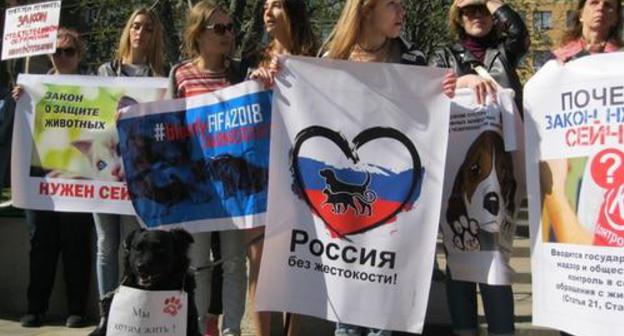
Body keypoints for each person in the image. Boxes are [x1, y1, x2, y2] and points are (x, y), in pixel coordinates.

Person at [321, 0, 455, 335]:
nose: (402, 11)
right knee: (348, 309)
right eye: (392, 4)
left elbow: (426, 123)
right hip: (347, 211)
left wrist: (445, 92)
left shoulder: (414, 60)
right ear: (366, 10)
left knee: (387, 311)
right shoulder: (328, 62)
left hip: (395, 199)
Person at [429, 1, 529, 336]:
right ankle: (465, 330)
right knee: (459, 257)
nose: (477, 16)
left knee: (495, 256)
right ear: (458, 18)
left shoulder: (504, 52)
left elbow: (519, 32)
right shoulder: (443, 53)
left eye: (482, 10)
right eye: (469, 11)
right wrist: (464, 80)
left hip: (503, 168)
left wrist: (491, 0)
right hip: (457, 167)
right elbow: (431, 90)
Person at [168, 2, 248, 335]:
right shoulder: (179, 73)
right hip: (196, 187)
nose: (228, 35)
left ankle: (232, 331)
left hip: (235, 186)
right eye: (219, 29)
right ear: (198, 34)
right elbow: (169, 125)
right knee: (198, 265)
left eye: (231, 28)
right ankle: (197, 329)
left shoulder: (242, 72)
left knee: (233, 264)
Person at [13, 28, 94, 329]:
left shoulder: (92, 87)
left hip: (77, 176)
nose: (62, 57)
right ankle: (35, 308)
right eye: (57, 51)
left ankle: (77, 309)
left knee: (76, 243)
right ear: (48, 54)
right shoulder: (31, 89)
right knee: (41, 242)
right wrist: (18, 101)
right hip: (40, 178)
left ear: (79, 54)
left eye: (69, 51)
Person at [91, 7, 165, 331]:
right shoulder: (105, 71)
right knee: (106, 244)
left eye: (148, 28)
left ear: (154, 36)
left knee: (132, 243)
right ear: (127, 30)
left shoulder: (161, 76)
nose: (140, 32)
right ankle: (107, 314)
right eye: (136, 26)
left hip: (140, 175)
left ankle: (130, 314)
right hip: (104, 172)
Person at [247, 1, 319, 335]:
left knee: (297, 264)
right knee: (260, 263)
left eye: (276, 5)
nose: (267, 11)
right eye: (264, 5)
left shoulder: (319, 60)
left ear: (293, 11)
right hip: (261, 174)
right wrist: (255, 83)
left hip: (304, 175)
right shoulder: (255, 59)